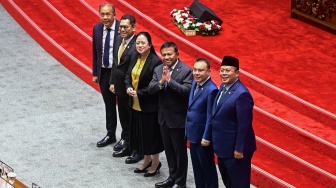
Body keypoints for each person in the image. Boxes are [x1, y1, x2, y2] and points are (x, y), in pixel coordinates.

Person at [149, 41, 193, 188]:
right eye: (164, 54)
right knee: (169, 151)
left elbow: (186, 91)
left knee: (180, 152)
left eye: (170, 54)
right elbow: (151, 89)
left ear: (177, 54)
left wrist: (170, 81)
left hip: (178, 119)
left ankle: (180, 182)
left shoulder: (186, 70)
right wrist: (161, 81)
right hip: (163, 119)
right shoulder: (158, 69)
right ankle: (172, 177)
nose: (167, 57)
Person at [211, 56, 257, 188]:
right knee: (229, 182)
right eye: (222, 70)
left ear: (237, 73)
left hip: (235, 150)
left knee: (239, 184)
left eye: (228, 71)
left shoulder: (242, 94)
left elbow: (244, 125)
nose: (224, 73)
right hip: (223, 147)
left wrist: (239, 148)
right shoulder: (223, 87)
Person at [125, 32, 164, 177]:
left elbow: (154, 86)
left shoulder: (155, 62)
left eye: (143, 43)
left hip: (149, 105)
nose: (140, 46)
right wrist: (128, 86)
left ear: (150, 45)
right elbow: (127, 75)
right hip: (135, 103)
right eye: (138, 43)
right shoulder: (134, 56)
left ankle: (155, 162)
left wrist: (139, 93)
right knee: (141, 135)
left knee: (151, 135)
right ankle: (146, 160)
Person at [110, 14, 142, 164]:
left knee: (132, 119)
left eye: (126, 27)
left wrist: (128, 86)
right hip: (119, 88)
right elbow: (115, 64)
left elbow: (132, 69)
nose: (122, 29)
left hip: (131, 89)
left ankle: (135, 147)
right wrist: (112, 82)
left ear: (134, 28)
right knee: (123, 118)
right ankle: (127, 142)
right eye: (120, 26)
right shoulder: (118, 39)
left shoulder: (137, 45)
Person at [185, 58, 218, 188]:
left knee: (207, 169)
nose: (197, 73)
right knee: (197, 168)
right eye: (195, 70)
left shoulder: (212, 90)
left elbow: (211, 116)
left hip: (203, 138)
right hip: (193, 134)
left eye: (201, 70)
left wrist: (206, 136)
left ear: (209, 72)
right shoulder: (194, 83)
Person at [92, 3, 119, 148]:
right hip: (103, 72)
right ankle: (111, 134)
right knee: (109, 105)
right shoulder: (97, 28)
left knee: (123, 107)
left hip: (118, 73)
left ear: (114, 15)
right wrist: (95, 72)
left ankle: (126, 137)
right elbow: (95, 51)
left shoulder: (122, 28)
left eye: (108, 14)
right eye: (102, 14)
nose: (105, 17)